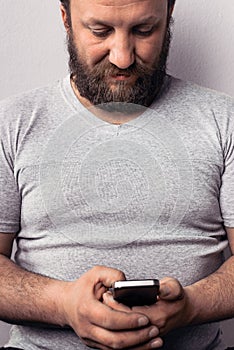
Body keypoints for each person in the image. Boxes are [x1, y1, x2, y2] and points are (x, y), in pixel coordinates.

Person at [0, 0, 233, 349]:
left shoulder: (224, 119)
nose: (122, 57)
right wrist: (63, 304)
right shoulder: (12, 123)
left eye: (144, 30)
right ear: (66, 20)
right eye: (100, 31)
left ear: (168, 16)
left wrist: (192, 306)